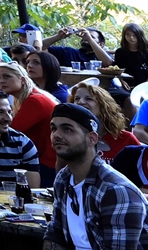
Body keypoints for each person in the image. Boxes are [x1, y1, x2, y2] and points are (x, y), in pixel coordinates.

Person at [49, 101, 148, 250]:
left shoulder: (115, 190)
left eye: (67, 129)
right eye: (53, 129)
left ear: (92, 139)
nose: (56, 135)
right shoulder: (63, 178)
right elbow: (55, 235)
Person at [1, 61, 61, 178]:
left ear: (22, 80)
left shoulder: (34, 101)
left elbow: (10, 133)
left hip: (47, 163)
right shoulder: (22, 99)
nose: (1, 81)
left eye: (6, 76)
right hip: (39, 158)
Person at [70, 84, 142, 163]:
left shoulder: (127, 139)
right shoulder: (69, 136)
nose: (80, 102)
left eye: (89, 99)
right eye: (77, 98)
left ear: (103, 106)